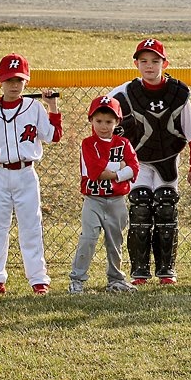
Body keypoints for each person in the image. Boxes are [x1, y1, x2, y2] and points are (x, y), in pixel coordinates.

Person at [0, 54, 62, 296]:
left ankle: (38, 279)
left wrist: (52, 107)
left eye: (19, 79)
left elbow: (54, 136)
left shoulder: (34, 107)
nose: (14, 85)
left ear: (26, 81)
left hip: (26, 174)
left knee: (31, 226)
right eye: (9, 80)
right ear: (0, 81)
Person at [109, 38, 191, 285]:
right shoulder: (125, 93)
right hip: (138, 160)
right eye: (144, 61)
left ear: (165, 63)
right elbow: (103, 117)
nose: (149, 66)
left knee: (166, 208)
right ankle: (139, 271)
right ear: (136, 64)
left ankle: (166, 270)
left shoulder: (177, 93)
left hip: (167, 159)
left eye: (154, 61)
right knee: (139, 208)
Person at [68, 96, 141, 294]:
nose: (103, 126)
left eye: (109, 121)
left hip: (117, 201)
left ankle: (116, 279)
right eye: (98, 121)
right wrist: (120, 171)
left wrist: (116, 171)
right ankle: (77, 279)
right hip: (94, 200)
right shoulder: (88, 144)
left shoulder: (124, 143)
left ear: (117, 122)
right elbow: (96, 172)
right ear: (91, 120)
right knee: (88, 238)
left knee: (114, 241)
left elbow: (134, 168)